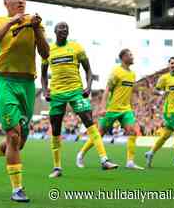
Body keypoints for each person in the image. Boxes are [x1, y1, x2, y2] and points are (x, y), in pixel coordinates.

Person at [0, 0, 49, 203]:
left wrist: (37, 29)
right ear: (6, 2)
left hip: (28, 84)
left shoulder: (34, 23)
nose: (21, 0)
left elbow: (45, 53)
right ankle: (17, 189)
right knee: (13, 135)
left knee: (18, 142)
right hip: (6, 82)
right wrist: (11, 22)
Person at [41, 22, 118, 178]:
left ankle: (104, 160)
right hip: (57, 94)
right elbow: (43, 74)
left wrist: (88, 87)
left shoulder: (77, 47)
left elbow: (88, 70)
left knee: (89, 121)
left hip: (76, 91)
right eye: (61, 28)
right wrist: (45, 90)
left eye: (66, 29)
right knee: (55, 129)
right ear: (55, 31)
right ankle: (57, 168)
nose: (64, 30)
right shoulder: (48, 50)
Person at [76, 49, 144, 170]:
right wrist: (103, 107)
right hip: (112, 109)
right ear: (123, 57)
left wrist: (133, 107)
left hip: (126, 110)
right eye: (130, 55)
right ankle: (80, 154)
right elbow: (107, 89)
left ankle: (130, 161)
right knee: (99, 134)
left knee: (133, 132)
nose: (133, 57)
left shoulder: (133, 74)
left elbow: (130, 92)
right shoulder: (116, 72)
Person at [145, 57, 174, 169]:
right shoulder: (164, 78)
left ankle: (150, 153)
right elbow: (154, 90)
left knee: (165, 136)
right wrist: (162, 93)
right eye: (172, 63)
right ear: (169, 65)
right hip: (169, 110)